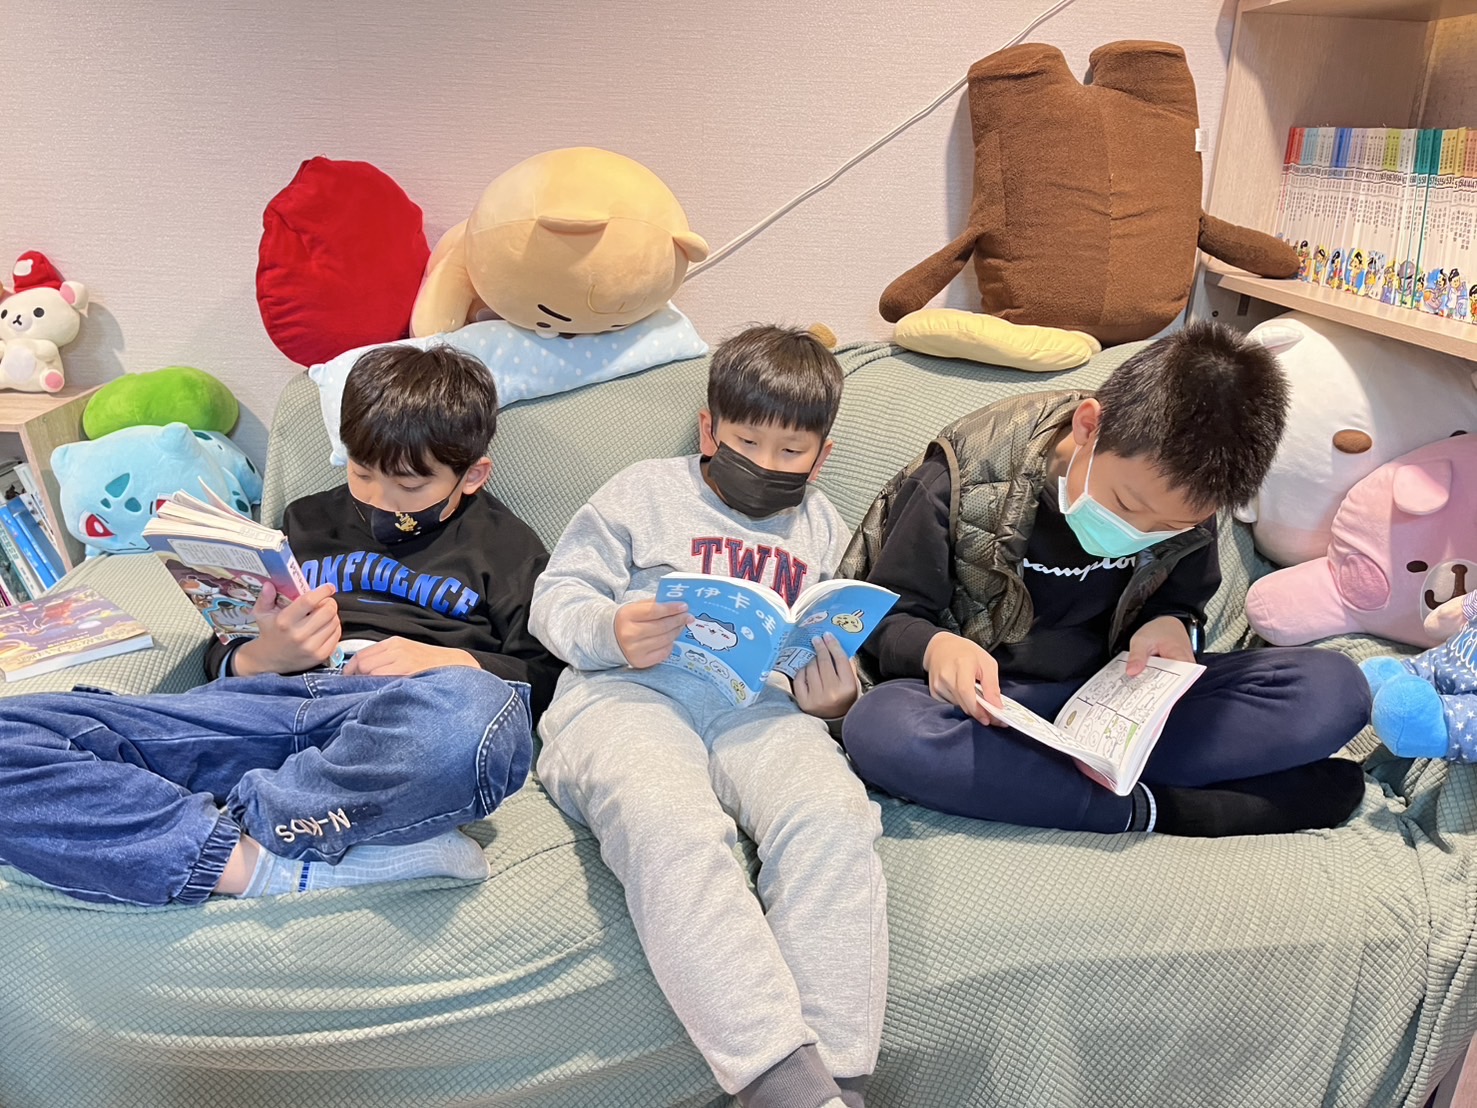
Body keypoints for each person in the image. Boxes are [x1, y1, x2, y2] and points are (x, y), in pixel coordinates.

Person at [0, 345, 561, 906]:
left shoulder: (505, 546)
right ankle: (250, 865)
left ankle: (234, 825)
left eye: (410, 487)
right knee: (11, 734)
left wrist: (450, 662)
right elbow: (225, 642)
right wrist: (261, 656)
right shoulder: (306, 518)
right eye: (362, 474)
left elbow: (545, 673)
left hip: (400, 722)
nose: (378, 500)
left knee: (476, 711)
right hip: (262, 706)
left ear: (472, 475)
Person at [530, 325, 885, 1108]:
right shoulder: (642, 491)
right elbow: (555, 599)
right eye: (745, 442)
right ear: (708, 429)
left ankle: (837, 1083)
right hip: (628, 696)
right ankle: (780, 1085)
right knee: (671, 821)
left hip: (758, 708)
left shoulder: (821, 525)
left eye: (790, 452)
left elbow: (831, 640)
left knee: (833, 816)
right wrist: (612, 630)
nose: (763, 462)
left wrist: (835, 700)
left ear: (821, 456)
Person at [841, 321, 1371, 836]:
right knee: (883, 728)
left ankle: (1051, 784)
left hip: (1117, 701)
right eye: (1127, 504)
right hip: (995, 708)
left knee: (1334, 687)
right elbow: (884, 617)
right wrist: (936, 648)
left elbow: (1183, 600)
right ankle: (1166, 810)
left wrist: (1171, 621)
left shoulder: (1189, 496)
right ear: (1089, 426)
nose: (1141, 531)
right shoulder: (963, 477)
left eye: (1169, 526)